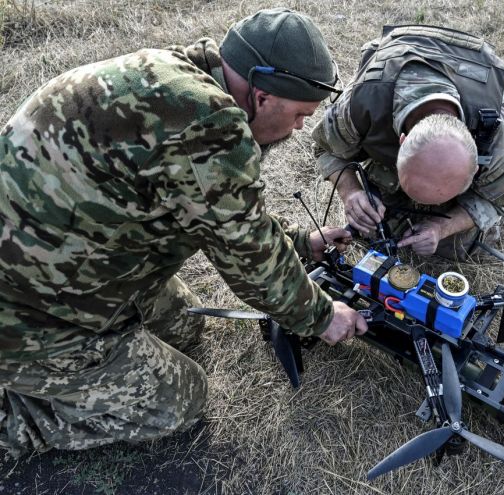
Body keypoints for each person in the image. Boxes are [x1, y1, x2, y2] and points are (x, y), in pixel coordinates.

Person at [0, 8, 367, 457]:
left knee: (184, 325)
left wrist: (299, 242)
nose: (299, 128)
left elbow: (228, 213)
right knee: (180, 402)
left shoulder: (181, 76)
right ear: (263, 96)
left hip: (64, 259)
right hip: (29, 312)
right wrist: (323, 316)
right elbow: (249, 257)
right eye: (299, 114)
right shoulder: (207, 123)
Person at [312, 25, 504, 259]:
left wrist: (442, 228)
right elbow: (324, 148)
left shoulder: (500, 139)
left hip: (477, 92)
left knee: (458, 247)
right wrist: (351, 192)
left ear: (476, 166)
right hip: (389, 87)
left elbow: (498, 201)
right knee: (373, 228)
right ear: (401, 141)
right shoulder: (361, 105)